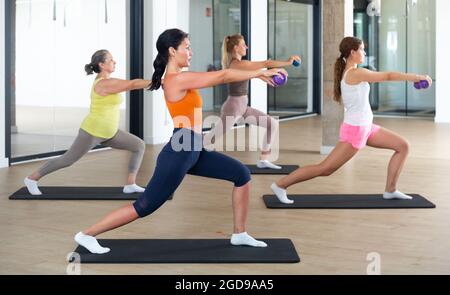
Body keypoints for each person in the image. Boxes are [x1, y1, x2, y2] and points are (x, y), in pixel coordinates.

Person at [74, 29, 288, 254]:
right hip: (181, 150)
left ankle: (240, 234)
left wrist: (258, 73)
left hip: (193, 147)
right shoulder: (174, 80)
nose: (191, 52)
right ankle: (87, 234)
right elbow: (222, 76)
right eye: (187, 47)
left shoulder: (182, 77)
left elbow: (224, 74)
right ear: (172, 51)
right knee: (145, 206)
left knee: (241, 175)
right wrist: (261, 72)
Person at [270, 36, 432, 204]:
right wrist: (417, 76)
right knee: (325, 169)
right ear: (352, 52)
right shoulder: (355, 73)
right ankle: (280, 185)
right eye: (362, 49)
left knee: (402, 146)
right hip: (356, 130)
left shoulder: (353, 71)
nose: (364, 52)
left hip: (367, 127)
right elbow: (388, 76)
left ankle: (390, 190)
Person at [24, 50, 151, 196]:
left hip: (110, 133)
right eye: (110, 60)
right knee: (67, 160)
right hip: (93, 131)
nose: (114, 62)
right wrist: (158, 82)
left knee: (138, 145)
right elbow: (132, 84)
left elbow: (131, 84)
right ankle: (32, 179)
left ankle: (130, 184)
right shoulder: (104, 83)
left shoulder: (109, 81)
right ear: (101, 64)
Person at [204, 34, 301, 169]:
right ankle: (193, 156)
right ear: (236, 47)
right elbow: (265, 64)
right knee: (212, 137)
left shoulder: (239, 64)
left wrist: (264, 77)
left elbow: (256, 72)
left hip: (242, 107)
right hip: (233, 107)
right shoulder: (237, 63)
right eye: (243, 45)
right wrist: (288, 62)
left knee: (271, 124)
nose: (246, 47)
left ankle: (263, 160)